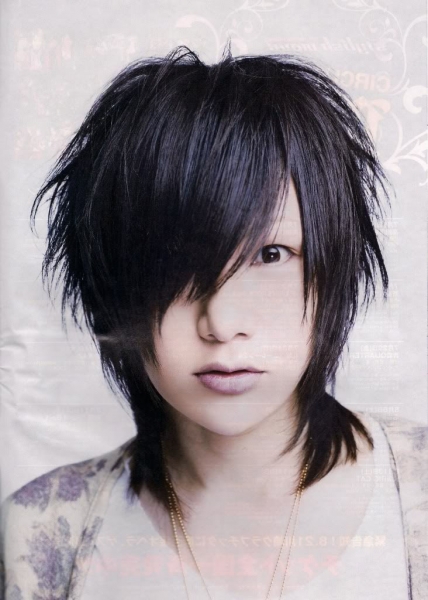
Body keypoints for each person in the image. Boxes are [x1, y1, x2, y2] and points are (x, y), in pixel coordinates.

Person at [0, 45, 426, 600]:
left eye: (270, 255)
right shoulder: (45, 530)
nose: (221, 325)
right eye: (174, 266)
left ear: (332, 266)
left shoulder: (415, 491)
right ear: (113, 290)